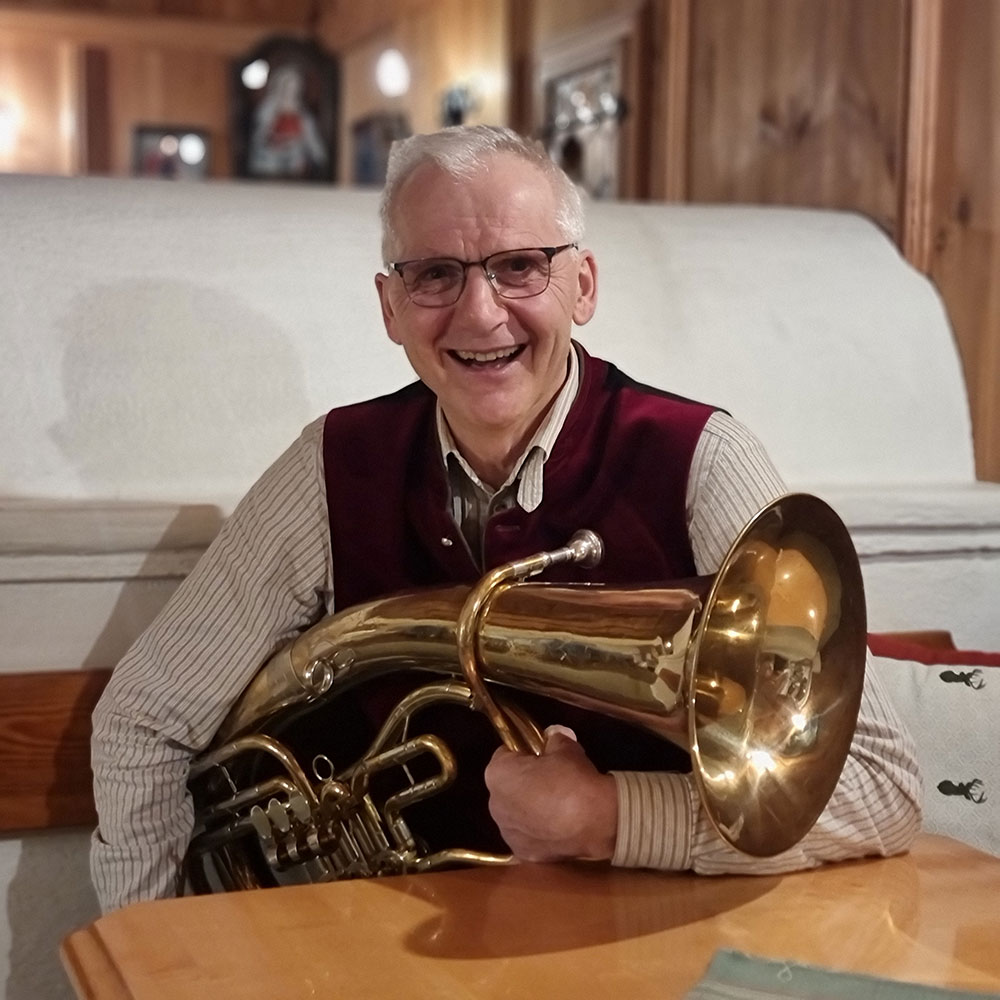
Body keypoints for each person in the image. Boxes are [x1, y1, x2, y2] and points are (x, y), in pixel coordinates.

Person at [90, 124, 921, 913]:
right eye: (436, 275)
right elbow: (144, 722)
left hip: (643, 961)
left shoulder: (699, 458)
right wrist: (158, 953)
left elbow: (881, 787)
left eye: (520, 266)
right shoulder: (332, 466)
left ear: (583, 285)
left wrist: (614, 818)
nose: (481, 314)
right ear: (390, 306)